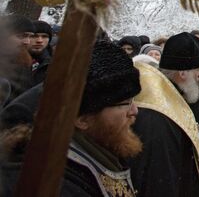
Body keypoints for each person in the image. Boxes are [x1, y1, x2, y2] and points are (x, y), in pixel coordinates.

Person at [1, 41, 142, 196]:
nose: (134, 110)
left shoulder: (103, 147)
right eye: (126, 103)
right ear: (81, 118)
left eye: (133, 100)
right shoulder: (51, 185)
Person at [128, 32, 199, 197]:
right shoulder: (159, 116)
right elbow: (159, 182)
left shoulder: (169, 100)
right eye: (197, 70)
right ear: (183, 73)